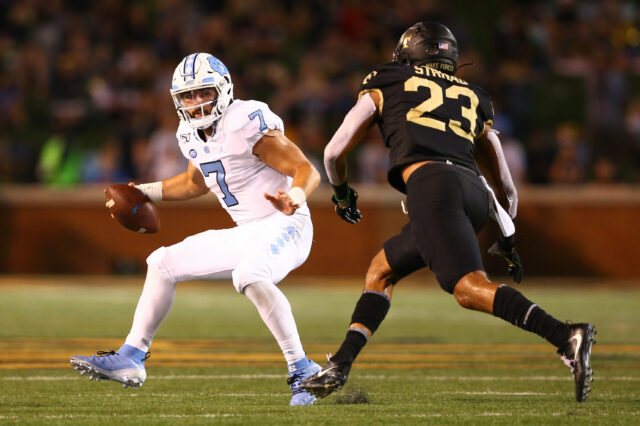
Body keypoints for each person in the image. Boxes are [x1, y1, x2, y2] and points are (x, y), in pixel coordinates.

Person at [302, 22, 595, 403]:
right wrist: (507, 236)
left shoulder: (388, 79)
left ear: (409, 54)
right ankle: (341, 363)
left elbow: (333, 151)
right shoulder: (475, 95)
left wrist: (341, 193)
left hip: (431, 188)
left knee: (468, 289)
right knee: (381, 270)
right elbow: (506, 184)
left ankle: (565, 336)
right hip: (473, 193)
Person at [70, 53, 323, 406]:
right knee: (162, 262)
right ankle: (132, 356)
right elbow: (194, 182)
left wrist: (294, 197)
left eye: (203, 93)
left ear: (223, 90)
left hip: (287, 222)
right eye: (187, 96)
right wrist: (145, 190)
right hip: (248, 231)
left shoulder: (244, 121)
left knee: (250, 274)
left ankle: (303, 370)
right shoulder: (189, 131)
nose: (196, 102)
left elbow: (307, 170)